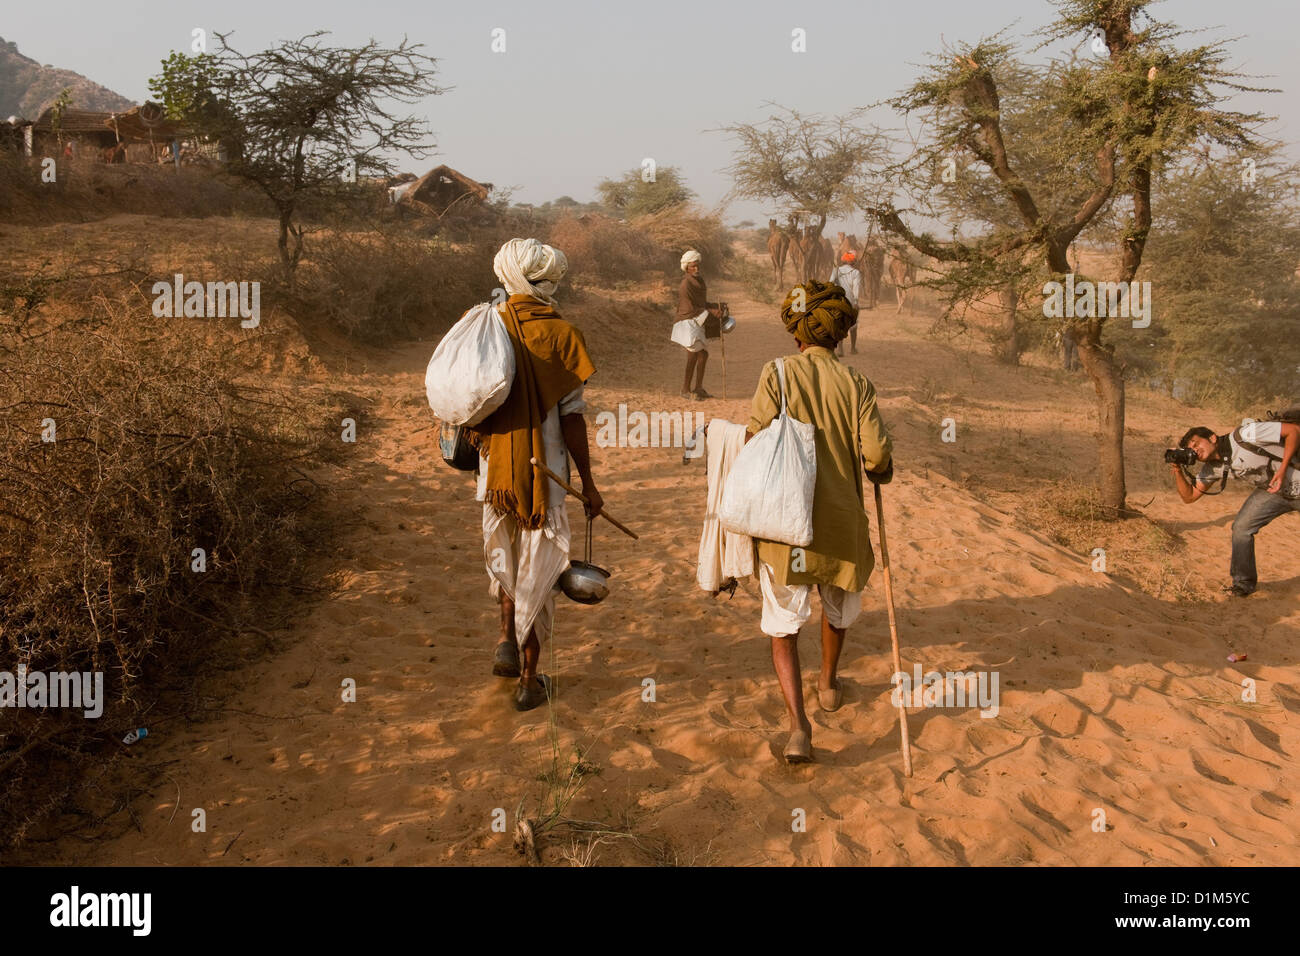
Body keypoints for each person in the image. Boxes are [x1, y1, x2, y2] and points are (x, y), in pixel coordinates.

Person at [745, 280, 893, 763]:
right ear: (840, 336)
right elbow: (876, 457)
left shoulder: (777, 374)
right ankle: (828, 684)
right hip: (839, 523)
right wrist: (880, 469)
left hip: (784, 524)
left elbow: (754, 438)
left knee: (784, 625)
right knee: (836, 608)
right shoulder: (857, 384)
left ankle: (798, 727)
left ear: (796, 334)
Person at [464, 238, 604, 710]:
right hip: (547, 479)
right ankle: (528, 680)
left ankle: (505, 636)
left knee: (506, 557)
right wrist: (588, 483)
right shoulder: (563, 335)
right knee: (539, 575)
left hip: (496, 473)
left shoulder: (490, 327)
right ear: (547, 284)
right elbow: (572, 419)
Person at [1170, 416, 1300, 597]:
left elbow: (1293, 430)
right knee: (1241, 527)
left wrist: (1283, 468)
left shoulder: (1246, 434)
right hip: (1274, 493)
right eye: (1190, 450)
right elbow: (1189, 497)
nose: (1195, 451)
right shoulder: (1212, 468)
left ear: (1212, 438)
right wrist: (1177, 469)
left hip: (1294, 480)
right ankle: (1243, 584)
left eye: (1196, 444)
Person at [673, 250, 725, 400]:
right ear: (686, 268)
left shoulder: (699, 281)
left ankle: (698, 388)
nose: (696, 269)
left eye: (697, 266)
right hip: (687, 320)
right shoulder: (685, 284)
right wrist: (711, 311)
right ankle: (685, 390)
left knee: (703, 354)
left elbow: (700, 304)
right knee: (693, 355)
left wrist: (715, 307)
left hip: (696, 319)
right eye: (693, 266)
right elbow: (690, 308)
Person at [826, 251, 862, 356]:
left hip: (838, 301)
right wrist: (856, 301)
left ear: (844, 261)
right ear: (853, 262)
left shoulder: (836, 271)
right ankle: (853, 348)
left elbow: (830, 284)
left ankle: (840, 349)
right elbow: (856, 288)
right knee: (853, 325)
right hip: (850, 302)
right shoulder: (856, 273)